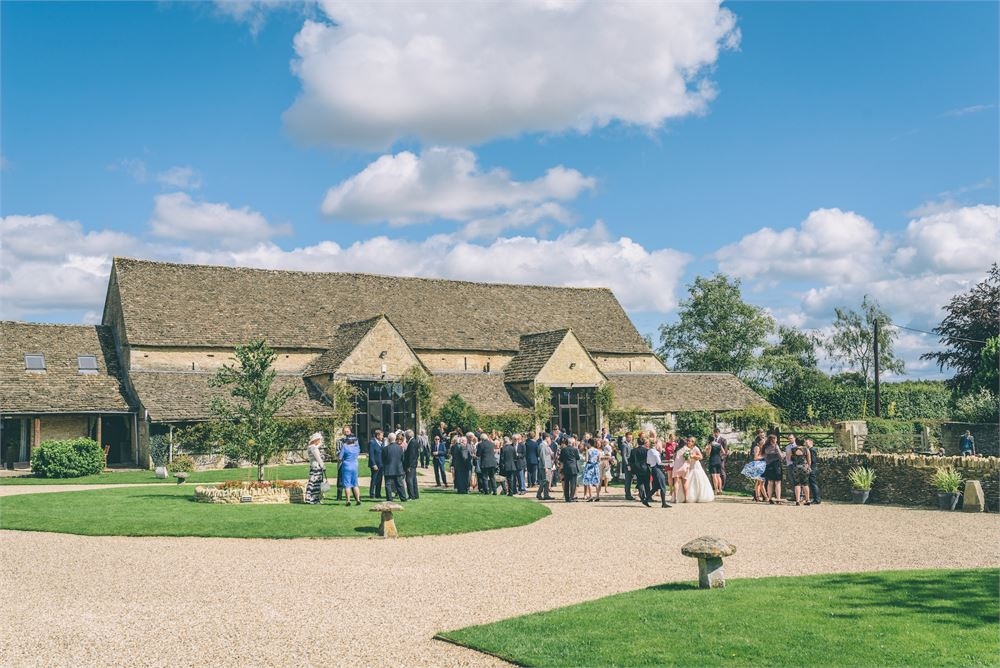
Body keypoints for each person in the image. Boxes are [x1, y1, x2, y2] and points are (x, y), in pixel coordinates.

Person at [338, 427, 362, 506]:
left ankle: (348, 500)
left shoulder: (345, 446)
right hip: (354, 465)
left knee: (347, 484)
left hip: (346, 465)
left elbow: (340, 458)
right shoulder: (356, 447)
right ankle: (358, 499)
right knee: (355, 483)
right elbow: (358, 452)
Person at [741, 432, 767, 502]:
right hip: (758, 465)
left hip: (761, 465)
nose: (764, 441)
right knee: (759, 482)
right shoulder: (757, 447)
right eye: (762, 440)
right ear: (759, 442)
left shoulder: (762, 447)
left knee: (759, 482)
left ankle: (758, 497)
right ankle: (759, 496)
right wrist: (764, 456)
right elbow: (755, 458)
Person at [646, 440, 672, 508]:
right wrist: (668, 463)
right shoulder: (656, 452)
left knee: (655, 487)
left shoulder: (649, 451)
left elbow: (648, 461)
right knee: (663, 486)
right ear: (656, 444)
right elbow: (659, 463)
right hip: (657, 469)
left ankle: (645, 500)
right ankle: (664, 503)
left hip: (653, 469)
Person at [383, 433, 407, 502]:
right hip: (398, 468)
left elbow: (383, 459)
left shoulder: (385, 449)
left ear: (388, 439)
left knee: (388, 484)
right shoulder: (400, 448)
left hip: (388, 468)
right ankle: (403, 497)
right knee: (400, 484)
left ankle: (389, 498)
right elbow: (402, 458)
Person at [305, 431, 326, 504]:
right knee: (316, 483)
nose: (320, 441)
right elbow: (318, 458)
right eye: (319, 439)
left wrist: (319, 445)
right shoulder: (314, 448)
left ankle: (309, 498)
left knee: (312, 482)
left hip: (313, 466)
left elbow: (316, 447)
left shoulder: (311, 447)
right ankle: (314, 499)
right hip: (316, 466)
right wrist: (323, 466)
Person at [763, 434, 784, 504]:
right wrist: (782, 453)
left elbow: (765, 457)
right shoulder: (775, 446)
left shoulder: (765, 447)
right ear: (774, 440)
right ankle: (778, 499)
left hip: (768, 465)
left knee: (770, 482)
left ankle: (770, 499)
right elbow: (781, 457)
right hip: (776, 465)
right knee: (777, 482)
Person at [706, 428, 728, 494]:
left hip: (713, 460)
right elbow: (724, 452)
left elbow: (708, 454)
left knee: (714, 476)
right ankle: (720, 489)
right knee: (718, 476)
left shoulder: (710, 445)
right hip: (719, 460)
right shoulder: (719, 444)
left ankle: (716, 490)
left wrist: (707, 450)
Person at [559, 438, 581, 502]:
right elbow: (578, 458)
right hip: (573, 468)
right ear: (573, 443)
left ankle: (567, 498)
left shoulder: (563, 449)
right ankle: (571, 497)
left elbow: (561, 459)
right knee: (573, 483)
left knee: (566, 483)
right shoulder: (575, 449)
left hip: (566, 468)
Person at [671, 438, 690, 503]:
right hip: (684, 467)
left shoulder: (677, 450)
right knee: (685, 483)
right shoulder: (687, 449)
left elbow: (673, 458)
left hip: (677, 467)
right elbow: (688, 459)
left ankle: (676, 498)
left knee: (676, 482)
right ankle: (686, 498)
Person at [536, 434, 554, 500]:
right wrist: (545, 467)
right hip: (545, 466)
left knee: (547, 481)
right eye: (549, 438)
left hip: (548, 465)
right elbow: (542, 456)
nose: (550, 439)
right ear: (546, 438)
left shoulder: (546, 445)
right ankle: (538, 493)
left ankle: (546, 495)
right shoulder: (542, 445)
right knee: (545, 480)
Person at [632, 436, 650, 504]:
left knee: (640, 483)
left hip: (638, 468)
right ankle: (648, 497)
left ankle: (642, 497)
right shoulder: (647, 450)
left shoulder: (634, 450)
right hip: (645, 467)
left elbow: (631, 460)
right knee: (647, 483)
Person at [403, 429, 420, 500]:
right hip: (413, 464)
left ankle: (411, 495)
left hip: (410, 465)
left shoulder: (412, 442)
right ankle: (415, 494)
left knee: (409, 480)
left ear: (408, 435)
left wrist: (409, 465)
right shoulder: (414, 441)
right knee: (413, 480)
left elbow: (411, 455)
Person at [368, 429, 384, 499]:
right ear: (377, 435)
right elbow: (371, 454)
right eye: (381, 435)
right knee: (374, 479)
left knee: (379, 479)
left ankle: (378, 493)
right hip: (375, 465)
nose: (382, 437)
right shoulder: (372, 442)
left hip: (381, 464)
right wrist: (373, 464)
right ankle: (372, 493)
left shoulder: (381, 443)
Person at [620, 432, 635, 500]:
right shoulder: (624, 445)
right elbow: (624, 456)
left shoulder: (630, 444)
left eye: (631, 437)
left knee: (630, 479)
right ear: (626, 437)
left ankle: (629, 493)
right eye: (629, 437)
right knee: (628, 479)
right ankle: (627, 494)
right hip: (627, 464)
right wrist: (627, 464)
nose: (630, 438)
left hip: (631, 463)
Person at [806, 438, 821, 504]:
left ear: (811, 443)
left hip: (812, 468)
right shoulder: (810, 450)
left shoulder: (812, 450)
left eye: (807, 442)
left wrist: (809, 467)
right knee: (812, 484)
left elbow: (813, 460)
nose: (806, 444)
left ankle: (817, 499)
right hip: (812, 468)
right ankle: (815, 498)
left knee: (813, 483)